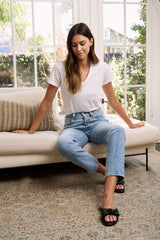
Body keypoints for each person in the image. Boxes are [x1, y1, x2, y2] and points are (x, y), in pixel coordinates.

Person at [12, 23, 145, 226]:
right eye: (74, 45)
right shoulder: (60, 68)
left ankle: (107, 198)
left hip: (97, 120)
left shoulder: (102, 68)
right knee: (64, 144)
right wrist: (31, 130)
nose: (78, 49)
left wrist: (130, 123)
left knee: (117, 131)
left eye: (82, 43)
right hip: (73, 124)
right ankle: (108, 172)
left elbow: (112, 99)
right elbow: (47, 101)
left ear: (91, 41)